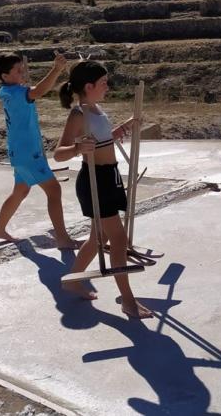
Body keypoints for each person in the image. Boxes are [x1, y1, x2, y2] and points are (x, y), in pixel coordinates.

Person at [53, 61, 151, 319]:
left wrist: (124, 127)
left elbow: (104, 139)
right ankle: (128, 301)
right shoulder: (78, 114)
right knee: (117, 240)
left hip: (109, 177)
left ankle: (72, 279)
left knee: (99, 236)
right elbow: (58, 154)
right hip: (94, 180)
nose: (108, 86)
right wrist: (76, 149)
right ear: (89, 86)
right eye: (104, 82)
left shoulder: (97, 110)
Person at [0, 52, 79, 249]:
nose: (23, 72)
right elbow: (38, 91)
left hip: (20, 152)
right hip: (28, 153)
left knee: (20, 191)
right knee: (54, 190)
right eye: (18, 70)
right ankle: (63, 239)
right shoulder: (16, 93)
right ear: (5, 76)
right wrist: (56, 69)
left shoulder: (7, 91)